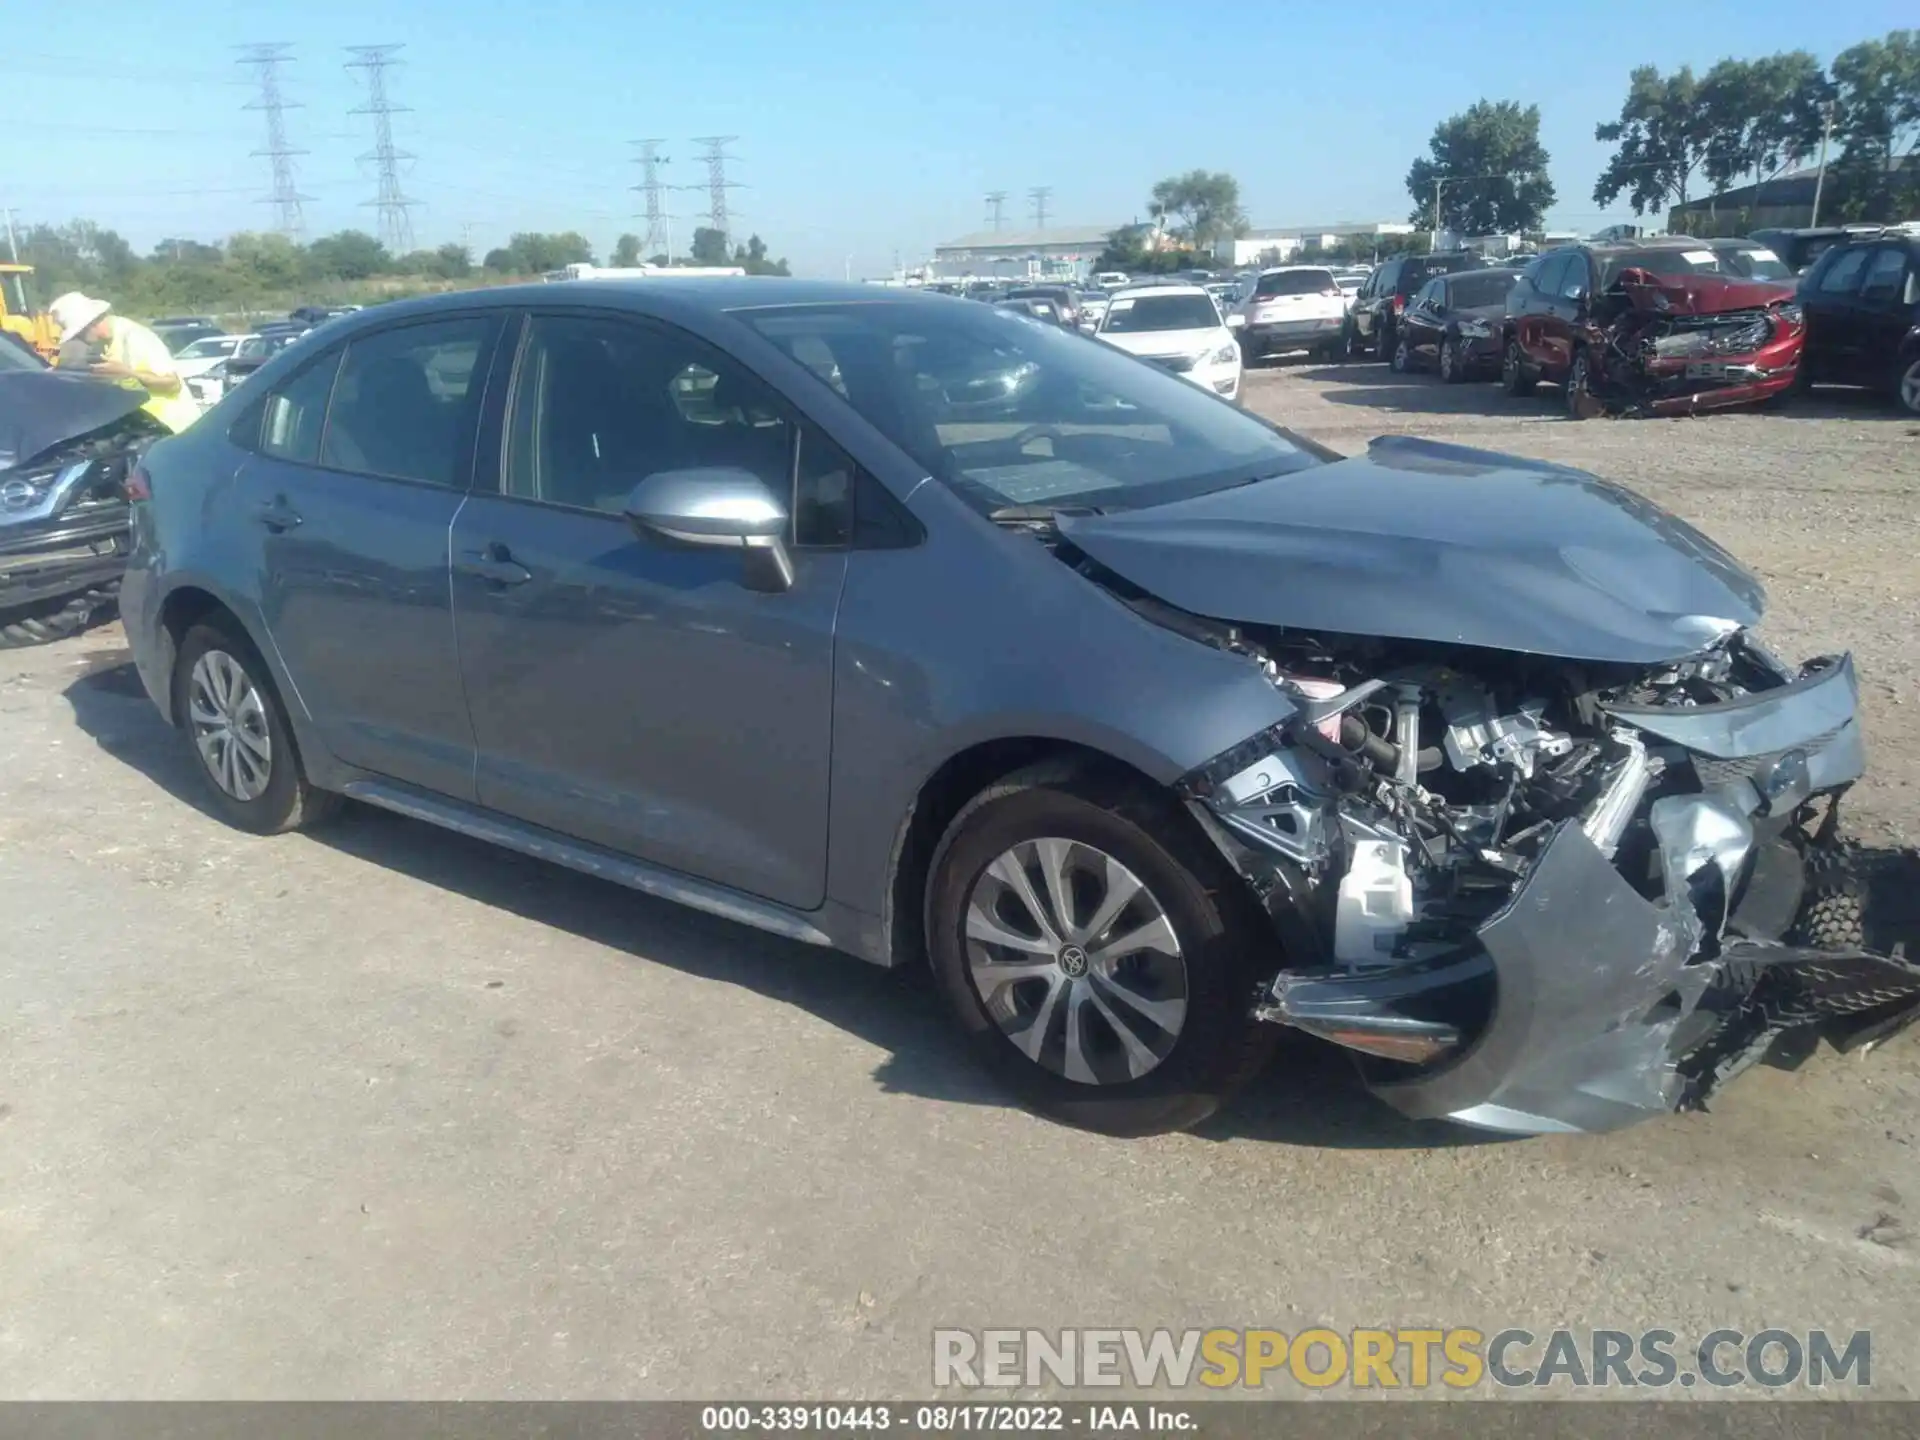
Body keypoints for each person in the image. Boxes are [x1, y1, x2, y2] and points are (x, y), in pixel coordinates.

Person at [47, 291, 200, 432]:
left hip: (176, 429)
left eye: (78, 334)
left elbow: (172, 384)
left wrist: (128, 373)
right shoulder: (103, 344)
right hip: (147, 431)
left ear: (90, 324)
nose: (78, 339)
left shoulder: (135, 337)